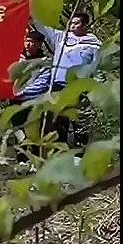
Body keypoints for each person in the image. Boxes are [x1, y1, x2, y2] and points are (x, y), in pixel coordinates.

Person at [32, 11, 102, 145]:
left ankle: (79, 151)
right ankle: (58, 149)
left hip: (79, 88)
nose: (72, 26)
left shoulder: (94, 44)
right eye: (71, 23)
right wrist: (30, 12)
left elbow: (97, 67)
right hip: (58, 86)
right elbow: (42, 27)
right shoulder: (61, 38)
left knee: (79, 122)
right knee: (56, 121)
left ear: (85, 25)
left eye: (76, 23)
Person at [10, 28, 67, 145]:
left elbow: (41, 85)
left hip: (33, 101)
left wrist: (20, 93)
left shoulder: (45, 63)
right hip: (15, 103)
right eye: (27, 41)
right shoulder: (16, 59)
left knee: (36, 131)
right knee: (17, 129)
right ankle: (22, 151)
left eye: (32, 42)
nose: (28, 45)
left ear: (39, 44)